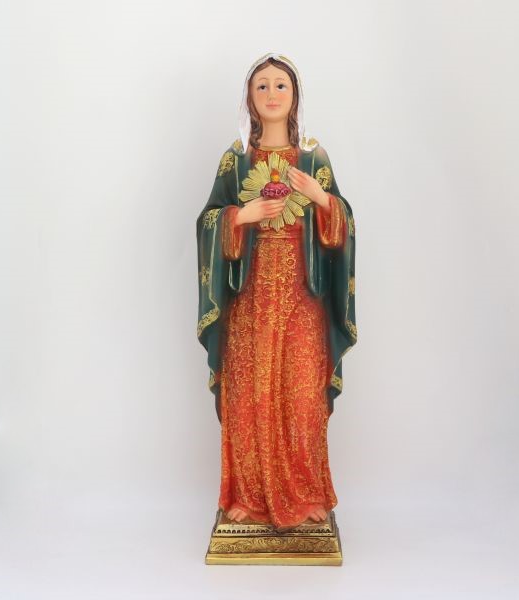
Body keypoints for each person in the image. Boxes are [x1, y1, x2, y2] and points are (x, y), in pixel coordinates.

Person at [196, 53, 356, 531]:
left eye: (280, 85)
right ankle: (247, 498)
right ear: (249, 97)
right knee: (248, 396)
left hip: (303, 297)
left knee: (302, 398)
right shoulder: (236, 161)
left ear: (295, 96)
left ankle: (306, 495)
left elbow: (344, 224)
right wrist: (241, 217)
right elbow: (208, 221)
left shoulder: (312, 158)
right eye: (261, 85)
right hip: (248, 299)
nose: (271, 94)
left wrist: (321, 198)